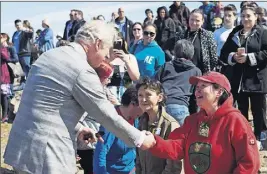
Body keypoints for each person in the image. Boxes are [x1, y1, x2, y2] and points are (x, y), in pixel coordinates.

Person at [3, 20, 155, 174]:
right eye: (106, 52)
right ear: (97, 43)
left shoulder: (49, 56)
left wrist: (78, 128)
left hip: (21, 150)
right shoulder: (81, 68)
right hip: (47, 158)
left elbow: (46, 107)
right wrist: (139, 139)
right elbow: (105, 113)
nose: (105, 58)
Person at [148, 72, 260, 174]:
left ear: (219, 92)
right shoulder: (192, 121)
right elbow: (176, 147)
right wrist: (153, 142)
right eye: (196, 87)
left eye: (203, 86)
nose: (197, 91)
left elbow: (249, 164)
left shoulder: (235, 121)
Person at [220, 5, 267, 141]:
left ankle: (260, 138)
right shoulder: (235, 32)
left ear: (256, 17)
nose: (245, 19)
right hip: (238, 80)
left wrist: (250, 57)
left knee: (259, 111)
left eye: (248, 16)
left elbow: (266, 52)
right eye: (243, 16)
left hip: (257, 80)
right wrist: (233, 57)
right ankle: (243, 138)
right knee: (241, 111)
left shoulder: (263, 32)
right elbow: (223, 53)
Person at [135, 77, 182, 174]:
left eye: (148, 95)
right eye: (140, 95)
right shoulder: (141, 122)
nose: (143, 99)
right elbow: (138, 157)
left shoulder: (170, 125)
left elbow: (173, 164)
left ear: (159, 97)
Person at [93, 86, 143, 174]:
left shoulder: (135, 119)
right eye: (142, 106)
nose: (144, 110)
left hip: (132, 169)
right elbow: (100, 154)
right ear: (133, 104)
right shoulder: (110, 122)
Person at [77, 61, 115, 174]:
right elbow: (77, 119)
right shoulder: (88, 93)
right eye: (108, 78)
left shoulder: (104, 91)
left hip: (99, 140)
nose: (109, 81)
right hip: (88, 142)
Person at [155, 39, 201, 126]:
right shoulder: (196, 71)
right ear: (192, 53)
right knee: (182, 138)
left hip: (163, 105)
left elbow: (155, 85)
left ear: (175, 52)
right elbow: (197, 96)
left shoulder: (166, 66)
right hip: (181, 106)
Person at [107, 31, 140, 102]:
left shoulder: (130, 57)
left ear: (122, 42)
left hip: (127, 98)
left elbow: (135, 78)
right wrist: (110, 59)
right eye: (113, 41)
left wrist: (126, 61)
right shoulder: (106, 57)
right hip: (109, 98)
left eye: (118, 41)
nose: (115, 43)